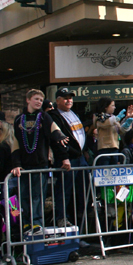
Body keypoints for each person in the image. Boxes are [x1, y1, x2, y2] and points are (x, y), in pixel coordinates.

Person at [11, 89, 69, 231]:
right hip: (25, 166)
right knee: (24, 195)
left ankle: (37, 222)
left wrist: (64, 156)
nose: (38, 102)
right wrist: (16, 164)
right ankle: (26, 222)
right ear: (28, 100)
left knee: (37, 196)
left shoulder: (44, 117)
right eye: (36, 99)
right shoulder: (19, 119)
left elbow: (55, 133)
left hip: (40, 164)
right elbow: (15, 144)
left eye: (40, 100)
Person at [48, 87, 89, 228]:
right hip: (68, 159)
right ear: (57, 100)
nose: (69, 100)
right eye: (65, 98)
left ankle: (80, 221)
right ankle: (62, 218)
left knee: (82, 191)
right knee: (65, 190)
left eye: (70, 98)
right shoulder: (54, 116)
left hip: (80, 157)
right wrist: (64, 157)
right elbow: (57, 140)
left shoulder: (73, 113)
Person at [93, 98, 133, 165]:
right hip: (104, 148)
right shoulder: (98, 117)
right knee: (105, 169)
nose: (114, 107)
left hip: (115, 147)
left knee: (114, 169)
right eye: (112, 105)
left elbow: (119, 130)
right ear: (105, 107)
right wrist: (116, 118)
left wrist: (126, 124)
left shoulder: (113, 117)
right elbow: (105, 124)